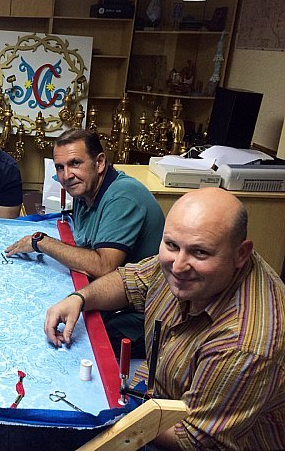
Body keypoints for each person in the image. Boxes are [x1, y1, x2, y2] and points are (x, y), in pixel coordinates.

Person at [44, 188, 285, 450]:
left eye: (200, 253)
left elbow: (192, 439)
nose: (178, 265)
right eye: (171, 245)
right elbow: (131, 280)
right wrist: (79, 298)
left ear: (240, 254)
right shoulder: (190, 259)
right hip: (157, 394)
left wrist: (109, 411)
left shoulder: (244, 343)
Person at [5, 128, 165, 356]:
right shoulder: (84, 191)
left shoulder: (123, 196)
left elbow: (103, 266)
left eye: (75, 163)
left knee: (57, 341)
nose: (66, 175)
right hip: (108, 295)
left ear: (99, 163)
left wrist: (41, 242)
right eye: (60, 167)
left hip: (139, 313)